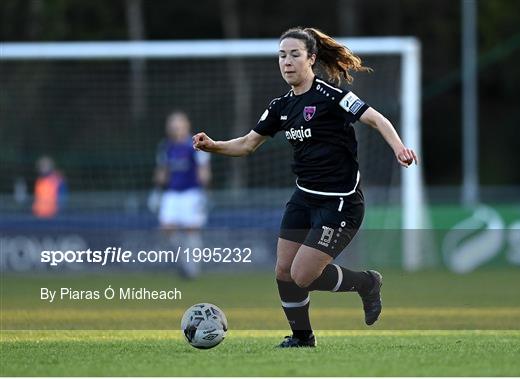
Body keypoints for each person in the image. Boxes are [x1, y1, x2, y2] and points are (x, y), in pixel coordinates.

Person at [193, 27, 418, 347]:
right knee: (283, 271)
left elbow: (376, 119)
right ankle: (302, 337)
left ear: (311, 58)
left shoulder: (332, 96)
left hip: (340, 202)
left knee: (303, 276)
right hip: (303, 198)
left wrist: (399, 148)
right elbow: (246, 145)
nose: (287, 62)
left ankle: (367, 283)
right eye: (282, 56)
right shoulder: (280, 106)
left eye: (295, 54)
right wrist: (212, 146)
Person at [153, 111, 211, 278]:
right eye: (172, 125)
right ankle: (184, 261)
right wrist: (156, 191)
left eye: (178, 125)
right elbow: (163, 171)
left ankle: (192, 268)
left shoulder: (194, 145)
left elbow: (204, 171)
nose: (175, 128)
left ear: (186, 126)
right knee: (167, 227)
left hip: (191, 193)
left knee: (191, 230)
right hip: (172, 194)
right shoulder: (166, 147)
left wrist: (204, 193)